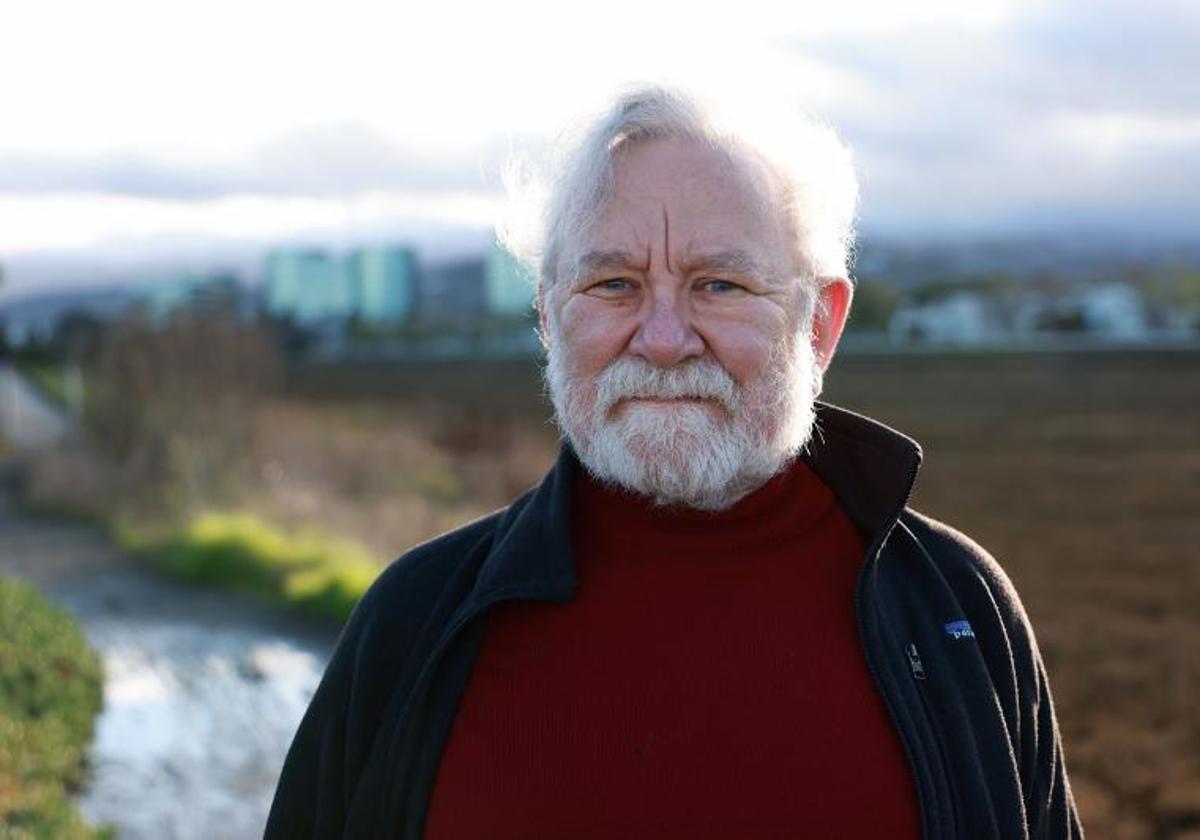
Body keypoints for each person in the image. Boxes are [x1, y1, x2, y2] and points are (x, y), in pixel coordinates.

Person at [265, 85, 1083, 839]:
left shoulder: (955, 612)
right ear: (550, 318)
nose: (663, 340)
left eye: (719, 285)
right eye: (615, 285)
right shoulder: (418, 622)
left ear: (819, 324)